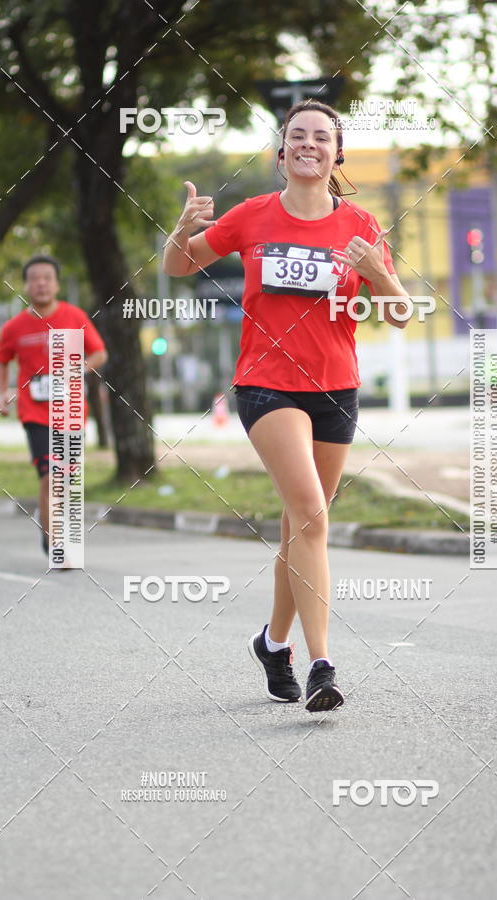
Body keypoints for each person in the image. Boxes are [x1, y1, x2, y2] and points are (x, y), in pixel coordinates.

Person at [163, 100, 411, 712]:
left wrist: (379, 274)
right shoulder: (253, 215)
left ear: (336, 154)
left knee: (300, 526)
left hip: (335, 389)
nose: (308, 144)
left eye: (321, 137)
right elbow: (177, 265)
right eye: (297, 135)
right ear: (281, 152)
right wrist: (182, 228)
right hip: (266, 384)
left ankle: (273, 643)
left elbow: (401, 314)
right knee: (311, 516)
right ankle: (323, 664)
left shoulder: (360, 224)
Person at [0, 254, 108, 557]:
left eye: (47, 278)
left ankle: (50, 522)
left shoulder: (75, 317)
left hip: (70, 412)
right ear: (26, 285)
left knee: (65, 478)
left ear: (56, 284)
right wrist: (3, 393)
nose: (41, 284)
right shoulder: (14, 327)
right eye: (35, 279)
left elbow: (99, 353)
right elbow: (2, 360)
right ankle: (56, 542)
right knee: (50, 476)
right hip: (34, 412)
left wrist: (79, 368)